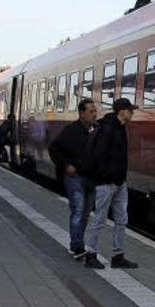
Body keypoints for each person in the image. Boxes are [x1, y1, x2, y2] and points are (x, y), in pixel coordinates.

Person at [83, 97, 138, 269]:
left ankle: (118, 255)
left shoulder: (120, 128)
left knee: (122, 219)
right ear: (122, 111)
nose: (132, 113)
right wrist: (108, 177)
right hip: (106, 183)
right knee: (99, 218)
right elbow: (100, 156)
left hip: (119, 183)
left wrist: (119, 178)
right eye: (130, 110)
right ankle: (90, 254)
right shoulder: (108, 129)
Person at [49, 99, 99, 258]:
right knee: (77, 210)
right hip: (75, 177)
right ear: (82, 113)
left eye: (95, 111)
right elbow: (54, 149)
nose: (94, 114)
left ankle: (77, 243)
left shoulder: (96, 130)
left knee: (85, 214)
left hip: (91, 178)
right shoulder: (70, 130)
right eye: (91, 111)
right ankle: (77, 246)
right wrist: (66, 165)